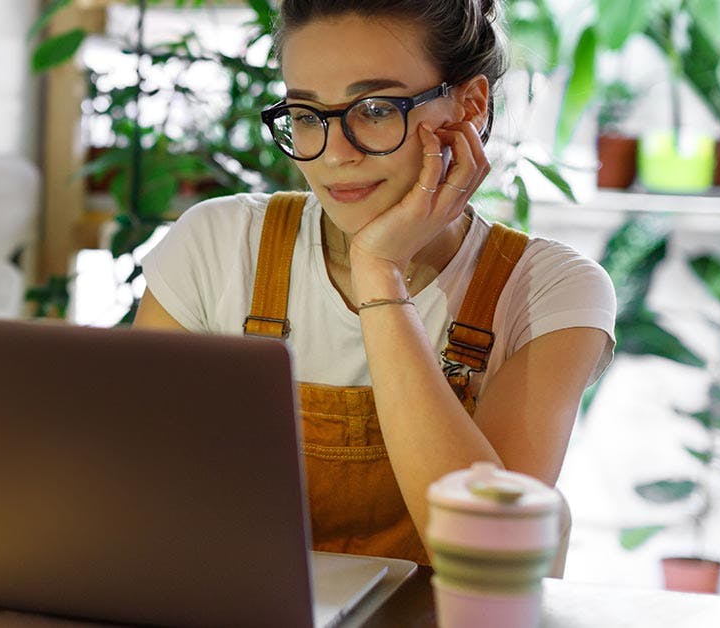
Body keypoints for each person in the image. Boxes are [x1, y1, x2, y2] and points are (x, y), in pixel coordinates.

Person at [133, 0, 616, 565]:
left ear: (469, 106)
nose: (335, 154)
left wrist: (379, 273)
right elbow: (135, 493)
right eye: (308, 114)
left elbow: (491, 548)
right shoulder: (218, 245)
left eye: (376, 109)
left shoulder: (549, 290)